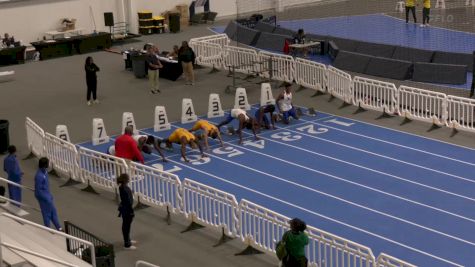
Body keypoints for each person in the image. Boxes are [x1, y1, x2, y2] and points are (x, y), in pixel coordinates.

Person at [34, 157, 62, 230]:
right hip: (44, 198)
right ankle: (48, 228)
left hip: (47, 196)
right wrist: (46, 198)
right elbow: (38, 190)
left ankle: (59, 227)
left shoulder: (45, 172)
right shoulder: (39, 176)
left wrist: (49, 195)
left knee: (53, 211)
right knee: (46, 214)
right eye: (47, 163)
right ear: (45, 165)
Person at [117, 173, 136, 250]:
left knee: (127, 225)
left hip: (126, 208)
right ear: (125, 179)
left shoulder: (123, 187)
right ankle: (127, 244)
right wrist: (131, 210)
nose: (129, 179)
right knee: (126, 226)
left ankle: (128, 240)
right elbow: (127, 201)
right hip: (127, 209)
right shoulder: (123, 188)